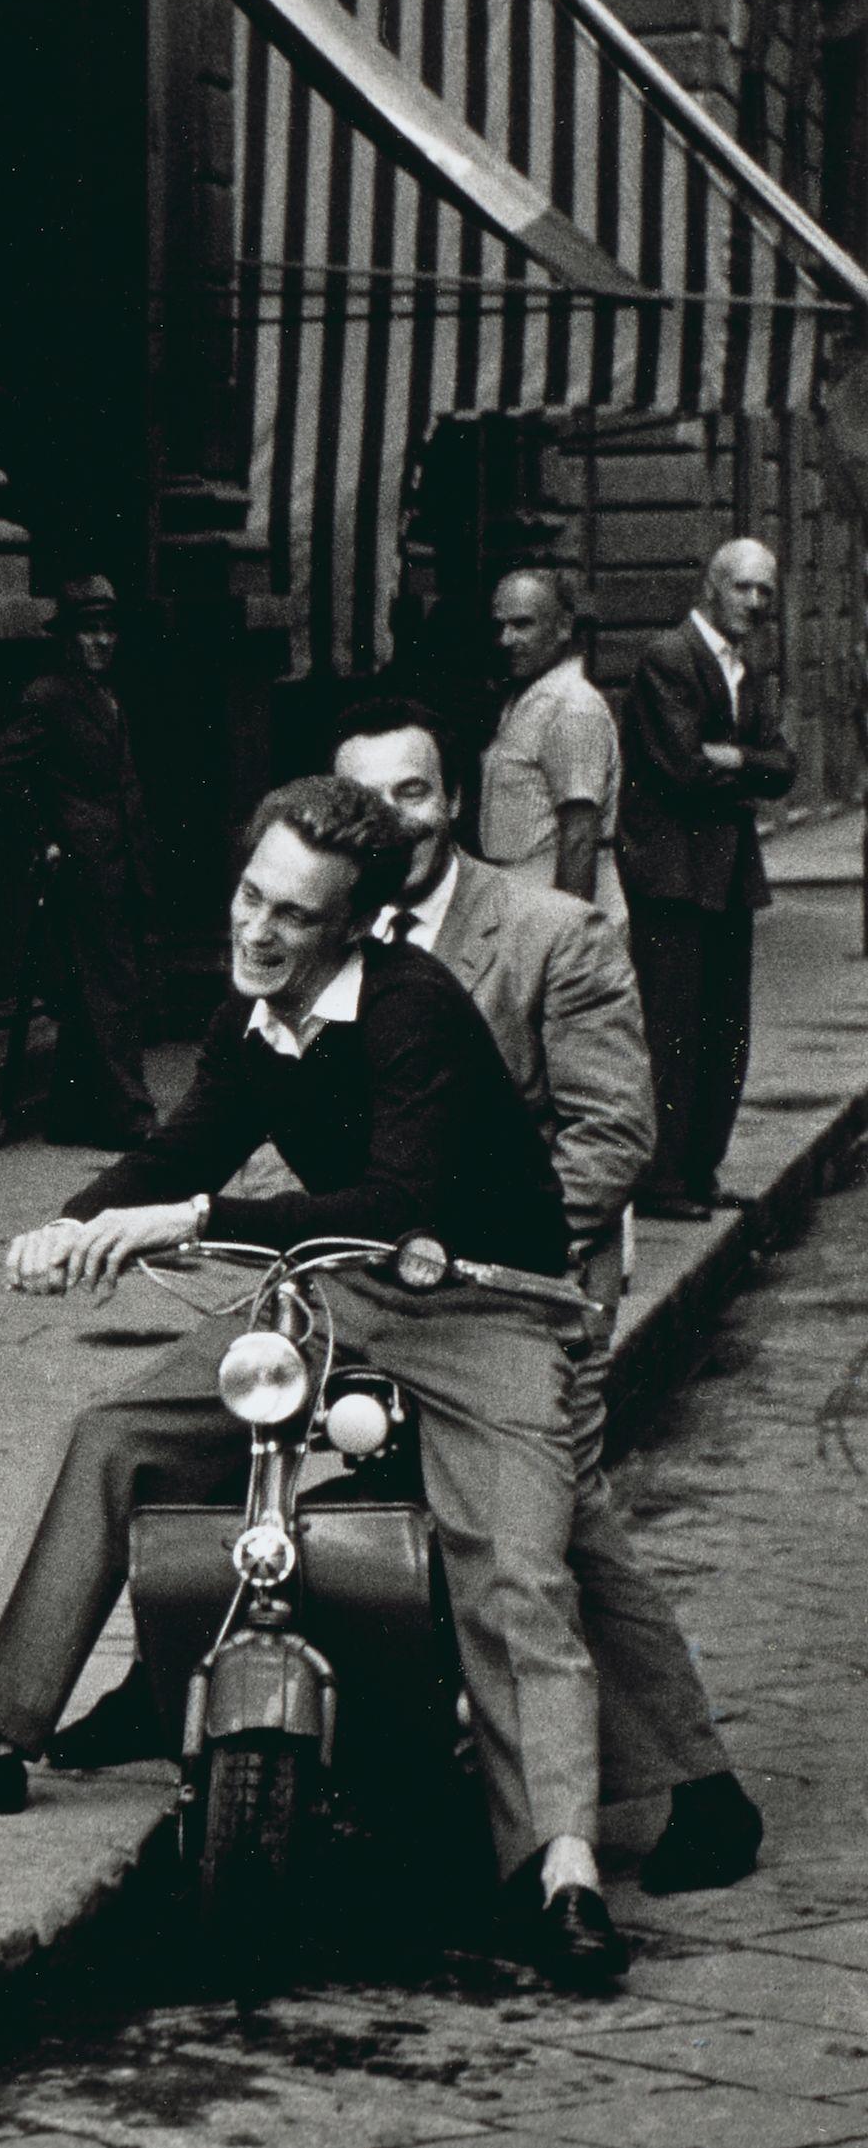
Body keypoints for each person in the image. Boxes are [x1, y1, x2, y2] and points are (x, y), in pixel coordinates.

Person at [0, 776, 629, 1992]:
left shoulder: (413, 1010)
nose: (258, 930)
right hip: (339, 1298)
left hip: (483, 1309)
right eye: (251, 896)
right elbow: (184, 1141)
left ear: (352, 927)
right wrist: (72, 1224)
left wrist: (183, 1221)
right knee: (115, 1432)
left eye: (294, 916)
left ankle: (560, 1870)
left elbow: (395, 1200)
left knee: (517, 1569)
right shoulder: (254, 1013)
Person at [301, 702, 755, 1893]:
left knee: (555, 1527)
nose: (386, 818)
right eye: (360, 799)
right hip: (393, 1282)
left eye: (410, 793)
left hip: (531, 1287)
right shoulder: (331, 935)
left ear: (449, 802)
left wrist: (473, 1246)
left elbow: (614, 1133)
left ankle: (697, 1789)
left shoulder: (550, 931)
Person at [616, 536, 796, 1218]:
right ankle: (661, 1180)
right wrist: (744, 766)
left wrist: (735, 759)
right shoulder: (670, 656)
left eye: (765, 591)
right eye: (742, 587)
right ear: (710, 586)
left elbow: (785, 769)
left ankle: (698, 1172)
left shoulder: (745, 668)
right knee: (673, 1029)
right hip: (673, 877)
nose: (754, 602)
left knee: (726, 1028)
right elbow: (682, 770)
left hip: (725, 877)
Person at [0, 574, 157, 1148]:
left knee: (96, 989)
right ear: (67, 639)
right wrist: (44, 836)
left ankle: (73, 1116)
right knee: (112, 988)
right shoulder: (49, 695)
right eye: (89, 631)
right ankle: (132, 1117)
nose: (102, 641)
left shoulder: (108, 692)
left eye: (109, 629)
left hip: (120, 858)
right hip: (83, 862)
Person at [482, 567, 618, 905]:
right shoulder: (530, 696)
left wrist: (569, 939)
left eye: (522, 625)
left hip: (550, 900)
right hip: (520, 896)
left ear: (563, 627)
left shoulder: (573, 706)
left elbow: (579, 835)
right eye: (500, 626)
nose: (506, 639)